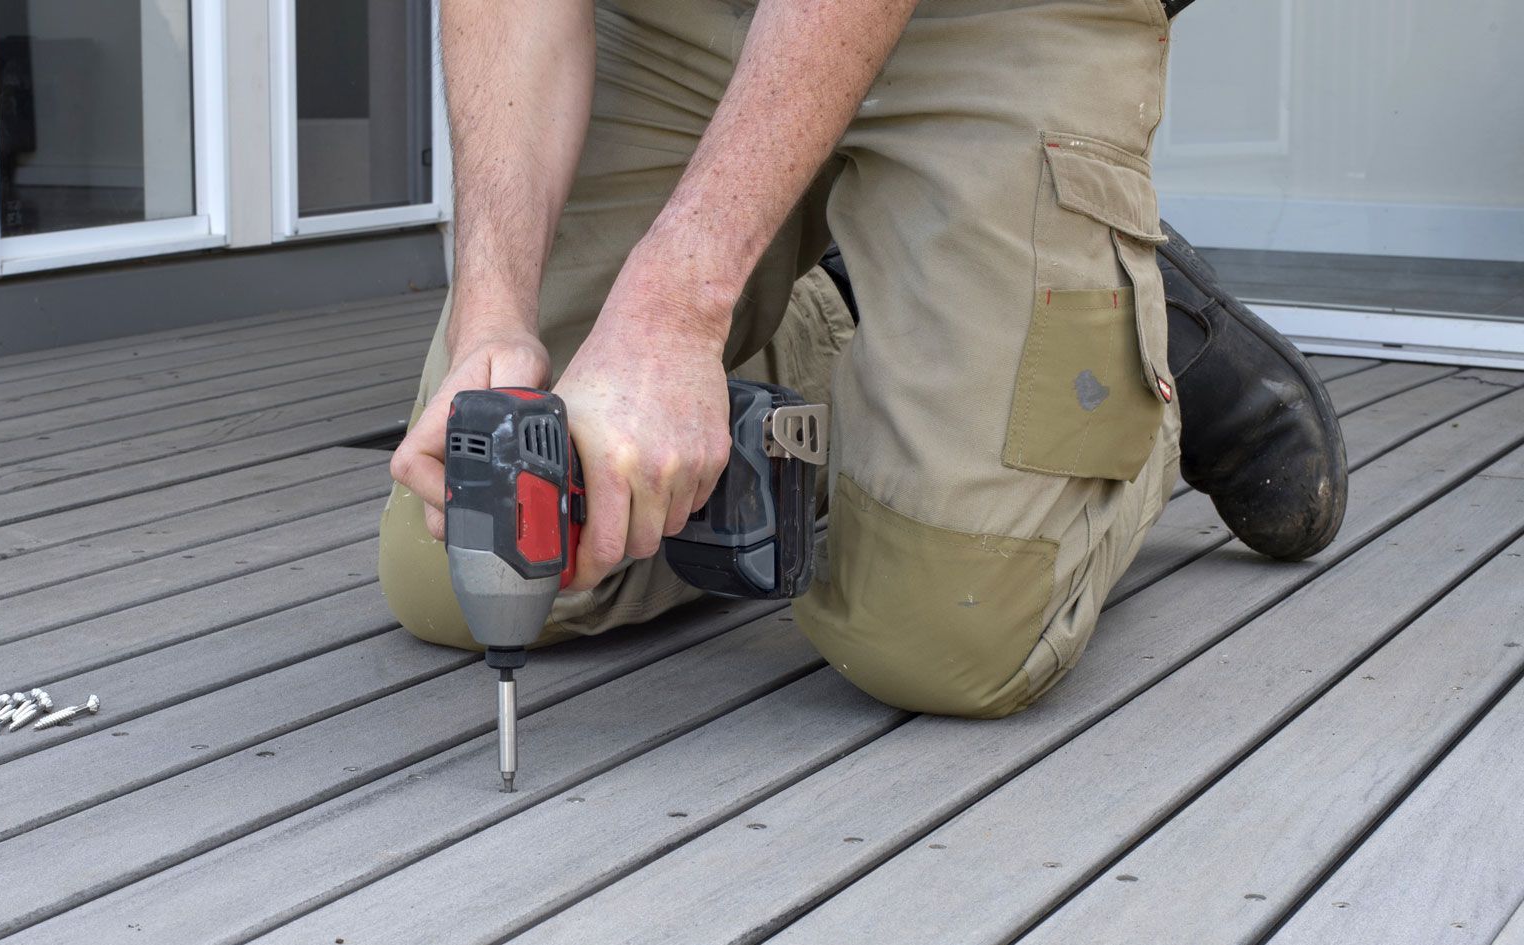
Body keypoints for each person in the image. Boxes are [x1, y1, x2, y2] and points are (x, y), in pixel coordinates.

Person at [378, 0, 1345, 719]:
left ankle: (1140, 361)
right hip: (676, 17)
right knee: (478, 562)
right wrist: (492, 327)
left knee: (947, 632)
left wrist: (668, 315)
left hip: (997, 17)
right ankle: (845, 310)